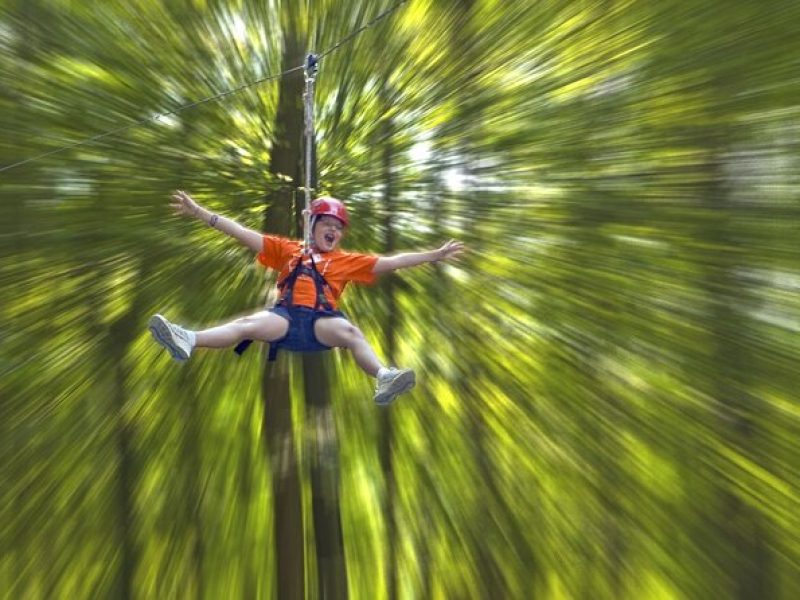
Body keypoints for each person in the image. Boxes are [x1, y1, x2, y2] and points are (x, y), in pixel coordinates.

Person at [149, 190, 464, 405]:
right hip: (284, 320)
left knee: (351, 332)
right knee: (248, 324)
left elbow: (392, 262)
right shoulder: (286, 249)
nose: (333, 231)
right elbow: (240, 233)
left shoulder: (346, 261)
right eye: (326, 224)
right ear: (311, 226)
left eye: (337, 229)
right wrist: (199, 213)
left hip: (320, 324)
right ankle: (187, 339)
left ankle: (383, 377)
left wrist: (434, 255)